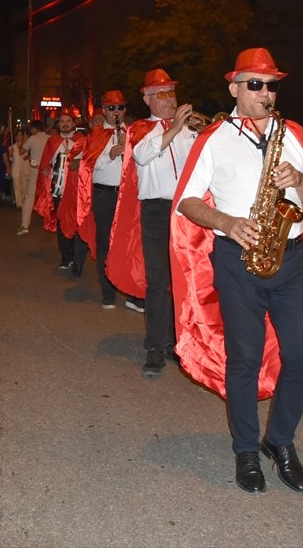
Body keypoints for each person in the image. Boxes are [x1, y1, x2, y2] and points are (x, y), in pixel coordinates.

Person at [174, 47, 303, 495]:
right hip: (236, 259)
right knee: (244, 359)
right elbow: (187, 200)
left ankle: (279, 441)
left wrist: (300, 182)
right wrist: (227, 222)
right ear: (235, 89)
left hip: (292, 258)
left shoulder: (293, 134)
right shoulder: (214, 138)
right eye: (255, 84)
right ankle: (247, 449)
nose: (265, 93)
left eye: (271, 85)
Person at [106, 69, 196, 376]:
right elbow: (143, 156)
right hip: (156, 211)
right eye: (162, 94)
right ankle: (156, 347)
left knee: (185, 282)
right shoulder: (141, 129)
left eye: (172, 93)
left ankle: (178, 344)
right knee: (158, 282)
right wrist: (174, 128)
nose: (169, 99)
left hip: (186, 211)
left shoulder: (190, 130)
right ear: (147, 99)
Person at [76, 91, 127, 308]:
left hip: (127, 196)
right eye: (112, 108)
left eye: (121, 108)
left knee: (127, 242)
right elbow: (88, 167)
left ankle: (129, 288)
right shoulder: (96, 135)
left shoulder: (134, 133)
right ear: (104, 111)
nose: (117, 112)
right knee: (105, 243)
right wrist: (111, 155)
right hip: (104, 194)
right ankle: (108, 291)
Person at [34, 109, 88, 275]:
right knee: (61, 223)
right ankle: (66, 255)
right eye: (62, 121)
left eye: (68, 121)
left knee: (77, 223)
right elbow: (44, 165)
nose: (65, 124)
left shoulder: (82, 140)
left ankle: (77, 257)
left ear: (74, 124)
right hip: (58, 190)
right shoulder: (53, 141)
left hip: (77, 191)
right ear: (58, 124)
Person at [18, 120, 48, 235]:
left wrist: (24, 139)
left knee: (30, 196)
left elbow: (21, 152)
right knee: (48, 196)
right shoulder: (50, 138)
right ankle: (51, 221)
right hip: (48, 171)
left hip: (36, 170)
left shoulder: (33, 139)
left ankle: (25, 225)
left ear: (34, 129)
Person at [9, 128, 30, 212]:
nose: (20, 136)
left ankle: (24, 202)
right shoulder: (12, 147)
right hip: (16, 168)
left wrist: (28, 157)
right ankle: (19, 203)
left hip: (25, 167)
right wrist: (10, 153)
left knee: (25, 186)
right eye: (18, 135)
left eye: (21, 135)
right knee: (17, 186)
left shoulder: (27, 145)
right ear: (15, 137)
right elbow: (11, 159)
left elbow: (31, 155)